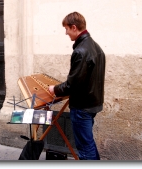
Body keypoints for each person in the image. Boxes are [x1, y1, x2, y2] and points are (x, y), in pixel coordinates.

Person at [49, 11, 106, 160]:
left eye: (67, 29)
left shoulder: (81, 51)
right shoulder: (95, 46)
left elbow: (71, 85)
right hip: (92, 104)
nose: (66, 33)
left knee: (85, 149)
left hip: (82, 107)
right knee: (88, 143)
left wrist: (54, 89)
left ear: (74, 27)